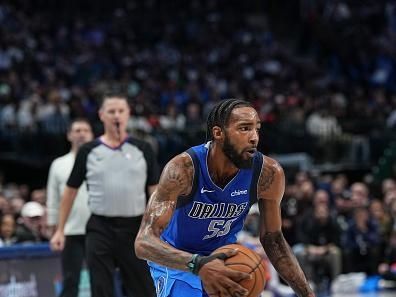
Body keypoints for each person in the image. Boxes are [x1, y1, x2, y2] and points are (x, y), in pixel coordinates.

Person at [135, 99, 315, 297]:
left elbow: (273, 240)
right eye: (244, 129)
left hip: (224, 258)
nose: (254, 137)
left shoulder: (268, 174)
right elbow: (144, 242)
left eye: (257, 129)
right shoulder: (183, 169)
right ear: (218, 133)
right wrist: (197, 264)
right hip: (178, 260)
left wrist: (307, 294)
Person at [50, 91, 159, 297]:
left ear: (128, 114)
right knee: (101, 288)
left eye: (120, 111)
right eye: (111, 111)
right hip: (100, 228)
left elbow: (155, 192)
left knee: (143, 289)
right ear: (101, 115)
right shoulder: (88, 151)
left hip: (135, 229)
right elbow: (70, 192)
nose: (116, 115)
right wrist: (59, 229)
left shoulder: (143, 148)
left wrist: (156, 227)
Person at [47, 118, 93, 297]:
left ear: (92, 135)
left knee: (102, 279)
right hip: (70, 231)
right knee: (70, 279)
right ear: (69, 135)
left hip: (98, 231)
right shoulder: (58, 164)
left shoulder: (101, 161)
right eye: (77, 130)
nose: (81, 133)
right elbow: (53, 198)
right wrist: (55, 228)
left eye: (85, 130)